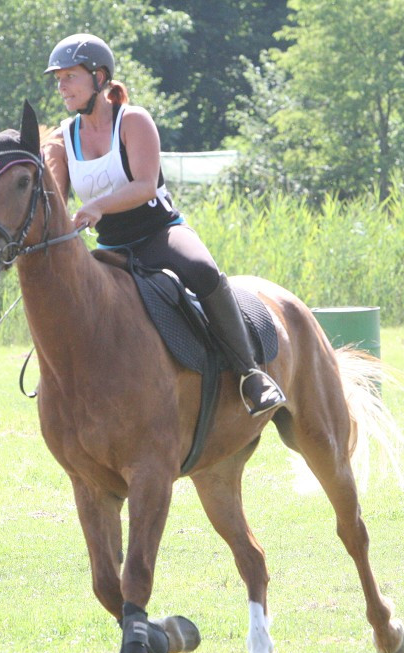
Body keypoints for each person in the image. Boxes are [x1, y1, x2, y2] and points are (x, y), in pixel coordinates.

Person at [42, 33, 286, 416]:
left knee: (203, 271)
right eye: (58, 79)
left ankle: (250, 375)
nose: (61, 86)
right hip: (110, 248)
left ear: (99, 77)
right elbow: (54, 203)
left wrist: (96, 206)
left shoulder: (133, 120)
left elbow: (143, 185)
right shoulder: (61, 139)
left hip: (159, 233)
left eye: (69, 76)